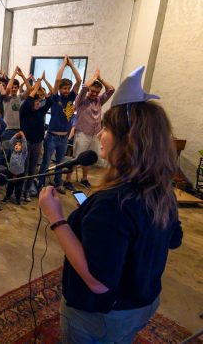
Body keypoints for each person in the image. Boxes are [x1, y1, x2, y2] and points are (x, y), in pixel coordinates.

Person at [39, 66, 182, 344]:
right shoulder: (162, 189)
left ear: (127, 141)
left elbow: (97, 281)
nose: (100, 134)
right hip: (142, 303)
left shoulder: (113, 203)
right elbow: (173, 239)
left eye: (106, 129)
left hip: (103, 316)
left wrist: (56, 218)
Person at [38, 55, 82, 193]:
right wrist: (63, 64)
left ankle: (58, 183)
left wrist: (72, 65)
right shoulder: (55, 97)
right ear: (60, 89)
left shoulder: (71, 98)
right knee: (46, 162)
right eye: (64, 88)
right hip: (52, 136)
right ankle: (40, 184)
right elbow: (57, 80)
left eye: (68, 88)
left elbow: (79, 80)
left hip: (64, 138)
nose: (66, 90)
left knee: (60, 163)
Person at [67, 68, 115, 189]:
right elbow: (83, 88)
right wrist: (93, 78)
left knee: (88, 158)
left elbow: (111, 90)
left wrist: (100, 79)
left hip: (95, 134)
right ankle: (67, 181)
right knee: (76, 158)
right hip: (82, 133)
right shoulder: (81, 100)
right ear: (89, 90)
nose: (94, 94)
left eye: (97, 92)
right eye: (92, 91)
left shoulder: (99, 100)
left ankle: (84, 179)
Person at [19, 75, 53, 199]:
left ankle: (28, 190)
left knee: (33, 168)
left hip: (37, 142)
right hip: (27, 142)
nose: (38, 104)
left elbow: (50, 99)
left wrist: (42, 85)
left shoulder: (40, 111)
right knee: (25, 167)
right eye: (36, 102)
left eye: (39, 102)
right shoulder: (24, 110)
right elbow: (29, 99)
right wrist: (37, 83)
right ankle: (20, 190)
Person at [4, 131, 28, 205]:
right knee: (9, 186)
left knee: (18, 187)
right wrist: (15, 135)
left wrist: (23, 137)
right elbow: (11, 142)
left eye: (19, 145)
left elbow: (25, 147)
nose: (17, 146)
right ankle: (7, 196)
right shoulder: (13, 151)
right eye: (16, 145)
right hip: (11, 172)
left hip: (20, 174)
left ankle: (18, 198)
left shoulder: (23, 154)